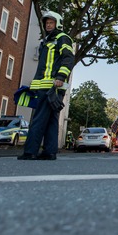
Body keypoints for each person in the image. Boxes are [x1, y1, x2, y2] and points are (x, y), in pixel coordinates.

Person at [18, 11, 74, 160]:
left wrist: (61, 76)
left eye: (51, 23)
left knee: (39, 119)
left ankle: (30, 152)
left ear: (58, 23)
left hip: (52, 86)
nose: (48, 25)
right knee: (51, 120)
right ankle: (49, 152)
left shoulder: (62, 38)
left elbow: (68, 58)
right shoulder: (47, 41)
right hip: (47, 86)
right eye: (47, 23)